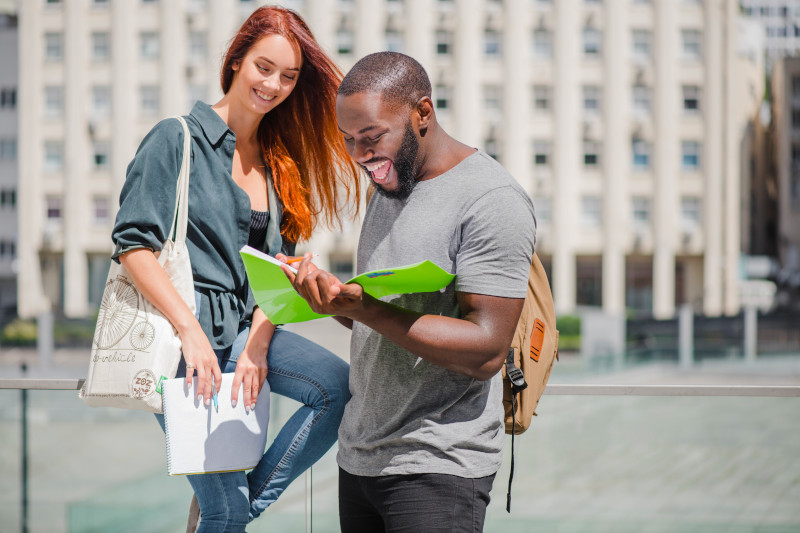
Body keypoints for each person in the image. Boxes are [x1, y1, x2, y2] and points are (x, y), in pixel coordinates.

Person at [110, 6, 360, 532]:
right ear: (235, 61)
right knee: (224, 508)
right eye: (263, 67)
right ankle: (228, 511)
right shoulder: (176, 138)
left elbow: (281, 266)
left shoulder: (281, 159)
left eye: (289, 77)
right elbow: (134, 246)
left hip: (250, 325)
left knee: (338, 388)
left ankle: (234, 508)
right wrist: (191, 332)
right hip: (184, 335)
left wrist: (257, 344)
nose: (273, 85)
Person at [285, 52, 537, 532]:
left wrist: (368, 310)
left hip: (438, 467)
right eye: (349, 141)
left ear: (422, 114)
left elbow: (486, 349)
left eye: (372, 137)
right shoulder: (389, 187)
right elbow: (380, 315)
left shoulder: (492, 199)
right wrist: (333, 301)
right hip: (359, 459)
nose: (360, 155)